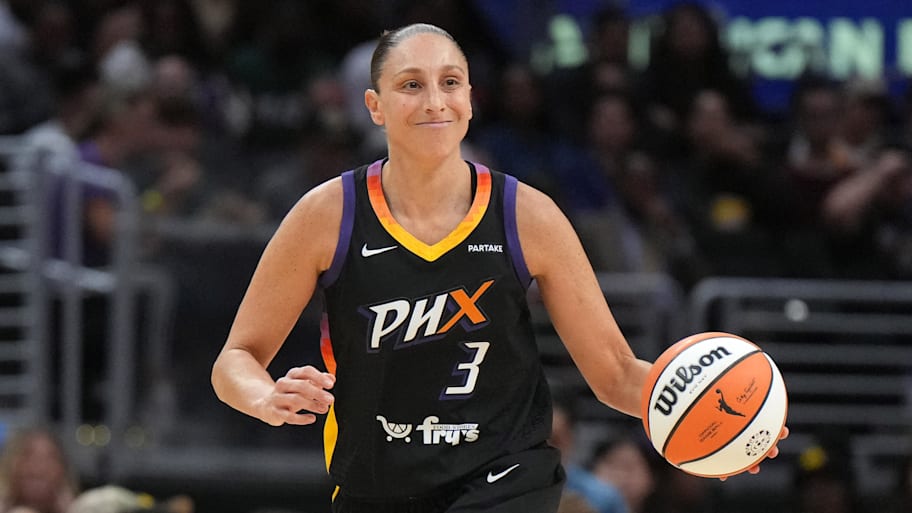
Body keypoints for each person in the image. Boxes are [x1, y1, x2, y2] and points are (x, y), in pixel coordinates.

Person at [210, 23, 786, 513]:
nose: (435, 100)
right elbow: (235, 360)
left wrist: (720, 421)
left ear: (469, 97)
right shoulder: (327, 215)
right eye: (411, 85)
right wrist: (264, 396)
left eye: (450, 82)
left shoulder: (526, 214)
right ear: (375, 106)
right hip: (376, 483)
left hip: (505, 478)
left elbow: (613, 372)